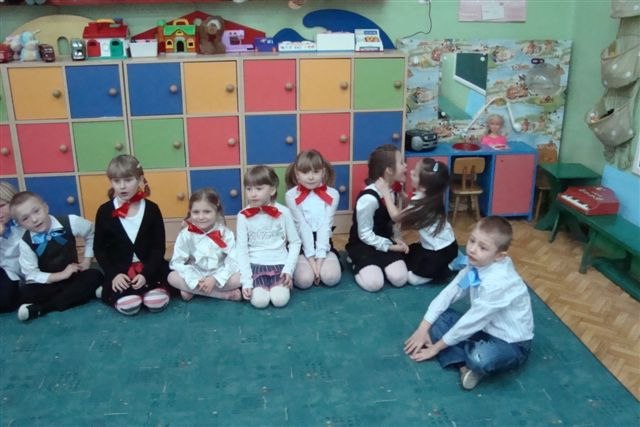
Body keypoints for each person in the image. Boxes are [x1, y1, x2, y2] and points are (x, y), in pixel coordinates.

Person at [403, 216, 534, 390]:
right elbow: (450, 293)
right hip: (482, 329)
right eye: (472, 241)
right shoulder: (476, 263)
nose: (472, 249)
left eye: (482, 247)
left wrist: (436, 348)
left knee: (480, 358)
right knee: (438, 320)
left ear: (499, 256)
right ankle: (464, 367)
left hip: (510, 343)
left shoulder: (498, 283)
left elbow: (472, 320)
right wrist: (422, 329)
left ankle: (464, 359)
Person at [94, 154, 171, 316]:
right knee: (130, 306)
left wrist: (146, 274)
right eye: (116, 181)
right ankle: (112, 289)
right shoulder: (104, 211)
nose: (122, 186)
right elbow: (99, 249)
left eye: (128, 180)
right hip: (120, 272)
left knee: (156, 302)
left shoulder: (152, 209)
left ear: (140, 179)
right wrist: (114, 275)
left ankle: (148, 290)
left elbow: (158, 248)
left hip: (149, 269)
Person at [10, 191, 103, 322]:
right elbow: (31, 274)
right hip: (49, 283)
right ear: (20, 224)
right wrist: (61, 275)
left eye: (36, 211)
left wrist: (87, 260)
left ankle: (42, 308)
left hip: (73, 277)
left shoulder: (70, 221)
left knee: (95, 275)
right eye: (25, 219)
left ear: (46, 208)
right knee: (25, 292)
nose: (34, 219)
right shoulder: (25, 242)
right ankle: (84, 294)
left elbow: (91, 232)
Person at [378, 158, 458, 285]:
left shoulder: (420, 202)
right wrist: (402, 194)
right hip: (450, 245)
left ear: (423, 187)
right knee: (408, 255)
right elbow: (411, 205)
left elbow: (396, 217)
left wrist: (385, 193)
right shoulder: (433, 194)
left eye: (414, 174)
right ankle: (450, 261)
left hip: (438, 252)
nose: (410, 172)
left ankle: (447, 269)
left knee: (411, 278)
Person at [345, 144, 409, 292]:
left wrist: (396, 238)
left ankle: (379, 266)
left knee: (400, 279)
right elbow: (364, 234)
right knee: (374, 284)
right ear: (389, 170)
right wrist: (390, 246)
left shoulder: (392, 190)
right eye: (401, 163)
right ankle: (353, 260)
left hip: (384, 239)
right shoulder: (368, 198)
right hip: (364, 244)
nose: (405, 166)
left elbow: (392, 220)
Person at [236, 165, 301, 308]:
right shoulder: (242, 216)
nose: (253, 194)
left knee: (280, 300)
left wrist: (288, 269)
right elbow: (241, 250)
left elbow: (295, 242)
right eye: (249, 189)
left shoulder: (284, 212)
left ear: (272, 190)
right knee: (259, 302)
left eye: (259, 189)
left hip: (280, 265)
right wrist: (246, 281)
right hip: (255, 266)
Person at [168, 188, 242, 301]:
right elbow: (176, 262)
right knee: (172, 277)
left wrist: (215, 279)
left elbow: (233, 261)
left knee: (241, 278)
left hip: (218, 274)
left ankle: (193, 291)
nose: (201, 217)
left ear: (216, 212)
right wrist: (194, 279)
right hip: (195, 274)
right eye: (196, 212)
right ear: (190, 212)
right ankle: (221, 295)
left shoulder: (226, 234)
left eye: (207, 212)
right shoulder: (185, 234)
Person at [284, 150, 341, 289]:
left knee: (331, 278)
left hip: (324, 242)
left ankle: (323, 263)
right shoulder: (291, 195)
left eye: (316, 172)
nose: (311, 177)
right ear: (297, 174)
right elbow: (302, 226)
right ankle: (308, 266)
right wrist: (311, 261)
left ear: (323, 172)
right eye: (305, 172)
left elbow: (325, 226)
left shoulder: (333, 194)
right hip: (300, 243)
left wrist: (319, 261)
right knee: (304, 281)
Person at [0, 182, 23, 313]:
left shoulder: (25, 221)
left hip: (30, 271)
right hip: (7, 272)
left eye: (2, 206)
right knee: (5, 302)